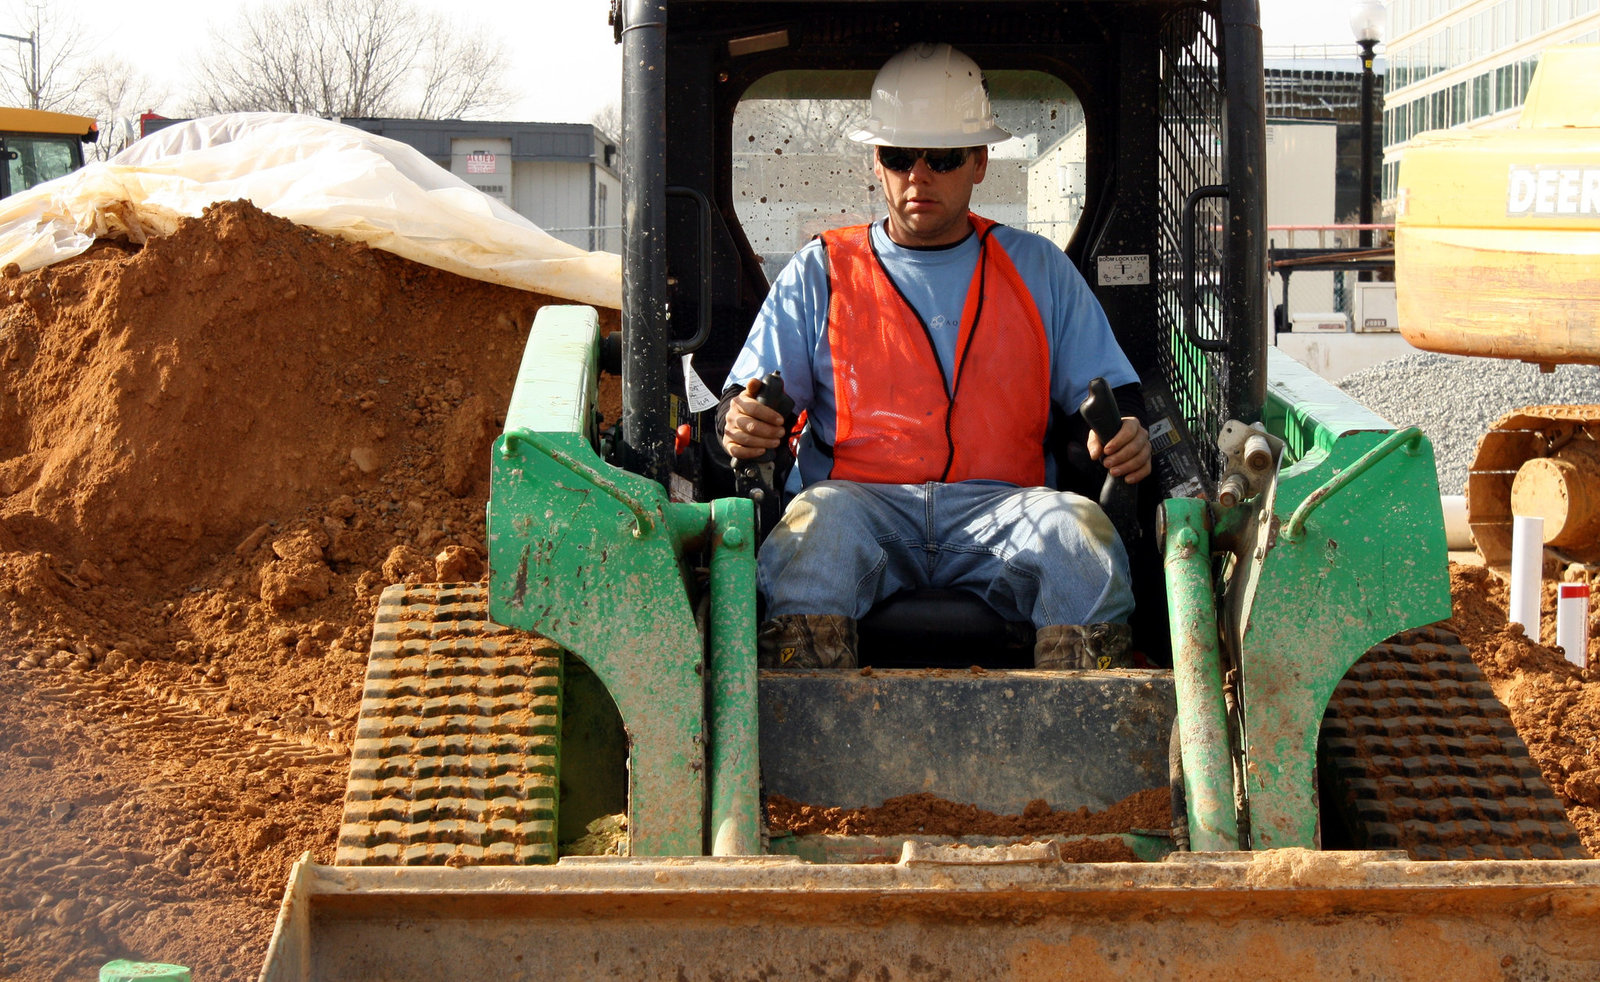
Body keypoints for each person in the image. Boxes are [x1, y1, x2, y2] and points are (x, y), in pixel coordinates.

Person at [718, 42, 1151, 671]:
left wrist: (1127, 435)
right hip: (859, 503)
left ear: (979, 162)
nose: (919, 176)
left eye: (943, 158)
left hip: (1005, 506)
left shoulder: (1040, 272)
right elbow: (747, 399)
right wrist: (742, 422)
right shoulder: (823, 270)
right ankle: (803, 733)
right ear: (877, 162)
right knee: (812, 539)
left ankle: (1082, 737)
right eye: (900, 157)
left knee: (1079, 537)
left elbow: (1114, 395)